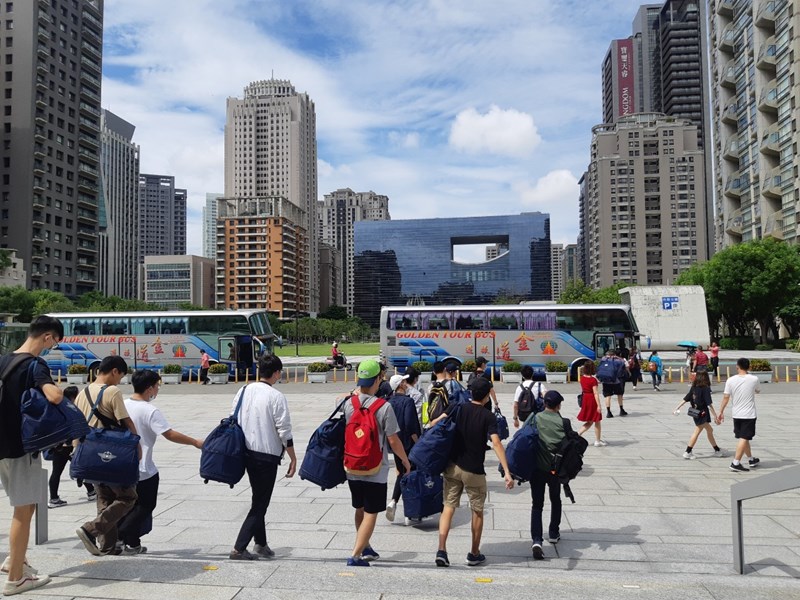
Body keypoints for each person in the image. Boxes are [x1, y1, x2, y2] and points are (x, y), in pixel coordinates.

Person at [0, 316, 64, 595]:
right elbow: (54, 396)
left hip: (1, 445)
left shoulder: (3, 360)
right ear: (47, 337)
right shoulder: (35, 364)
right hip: (20, 446)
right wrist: (56, 390)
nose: (53, 347)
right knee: (23, 511)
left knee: (30, 503)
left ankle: (16, 560)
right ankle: (16, 579)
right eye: (55, 342)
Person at [117, 370, 204, 554]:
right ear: (149, 388)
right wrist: (195, 442)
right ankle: (121, 534)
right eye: (157, 386)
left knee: (128, 505)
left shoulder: (123, 405)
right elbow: (169, 434)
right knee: (146, 505)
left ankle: (132, 543)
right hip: (144, 467)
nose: (157, 389)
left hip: (122, 465)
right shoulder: (149, 410)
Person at [432, 377, 513, 568]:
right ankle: (474, 553)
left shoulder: (457, 407)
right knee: (477, 510)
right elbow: (496, 443)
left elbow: (436, 422)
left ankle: (442, 549)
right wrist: (507, 472)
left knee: (448, 507)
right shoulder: (488, 417)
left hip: (453, 467)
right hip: (474, 470)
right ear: (486, 397)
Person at [343, 359, 411, 567]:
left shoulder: (348, 403)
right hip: (375, 468)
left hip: (352, 465)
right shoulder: (384, 407)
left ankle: (365, 546)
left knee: (360, 507)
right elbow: (393, 440)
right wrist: (405, 461)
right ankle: (355, 555)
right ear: (379, 379)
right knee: (371, 512)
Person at [229, 354, 297, 560]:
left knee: (258, 497)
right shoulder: (276, 396)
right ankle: (239, 548)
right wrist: (293, 458)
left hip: (246, 452)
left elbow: (233, 416)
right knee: (260, 503)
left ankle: (261, 543)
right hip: (266, 455)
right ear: (276, 372)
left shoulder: (242, 390)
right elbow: (284, 430)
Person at [74, 355, 141, 557]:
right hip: (111, 454)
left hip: (89, 455)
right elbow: (126, 421)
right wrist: (137, 445)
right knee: (128, 497)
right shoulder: (111, 391)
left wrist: (76, 453)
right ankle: (90, 528)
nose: (120, 380)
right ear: (114, 371)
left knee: (104, 499)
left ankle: (108, 547)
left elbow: (76, 426)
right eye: (120, 375)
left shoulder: (82, 392)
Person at [529, 391, 570, 560]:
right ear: (558, 405)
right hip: (555, 470)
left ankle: (537, 540)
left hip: (537, 468)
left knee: (537, 505)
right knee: (556, 499)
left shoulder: (535, 418)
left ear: (544, 403)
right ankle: (553, 532)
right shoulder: (563, 422)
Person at [47, 386, 95, 508]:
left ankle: (53, 498)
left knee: (56, 472)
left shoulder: (58, 407)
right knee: (81, 467)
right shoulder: (71, 409)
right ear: (74, 396)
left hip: (58, 446)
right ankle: (91, 492)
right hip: (70, 445)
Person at [385, 374, 421, 522]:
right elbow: (411, 425)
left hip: (393, 444)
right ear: (400, 385)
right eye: (404, 382)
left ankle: (393, 501)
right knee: (411, 474)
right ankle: (411, 512)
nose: (406, 384)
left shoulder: (387, 402)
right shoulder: (408, 402)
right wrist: (418, 443)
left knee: (402, 472)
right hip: (408, 444)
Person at [716, 358, 761, 473]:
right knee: (744, 437)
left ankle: (751, 459)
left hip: (736, 414)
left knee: (743, 437)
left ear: (737, 367)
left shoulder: (730, 380)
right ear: (749, 367)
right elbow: (758, 391)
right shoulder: (754, 379)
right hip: (749, 414)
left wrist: (720, 412)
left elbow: (726, 397)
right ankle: (735, 462)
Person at [671, 371, 725, 460]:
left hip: (695, 413)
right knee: (697, 432)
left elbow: (685, 399)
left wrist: (676, 408)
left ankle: (717, 450)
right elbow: (709, 404)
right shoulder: (705, 388)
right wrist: (715, 416)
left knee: (710, 430)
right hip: (702, 414)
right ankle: (688, 451)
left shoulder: (694, 387)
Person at [577, 361, 605, 446]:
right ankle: (597, 440)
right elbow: (595, 393)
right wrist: (599, 406)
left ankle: (578, 434)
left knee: (589, 421)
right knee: (597, 420)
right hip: (592, 400)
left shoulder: (582, 379)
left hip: (585, 399)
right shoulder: (593, 380)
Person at [601, 350, 629, 418]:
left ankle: (608, 412)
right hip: (616, 381)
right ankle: (621, 410)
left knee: (608, 396)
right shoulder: (619, 360)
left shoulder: (603, 360)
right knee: (619, 394)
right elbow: (625, 366)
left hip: (606, 381)